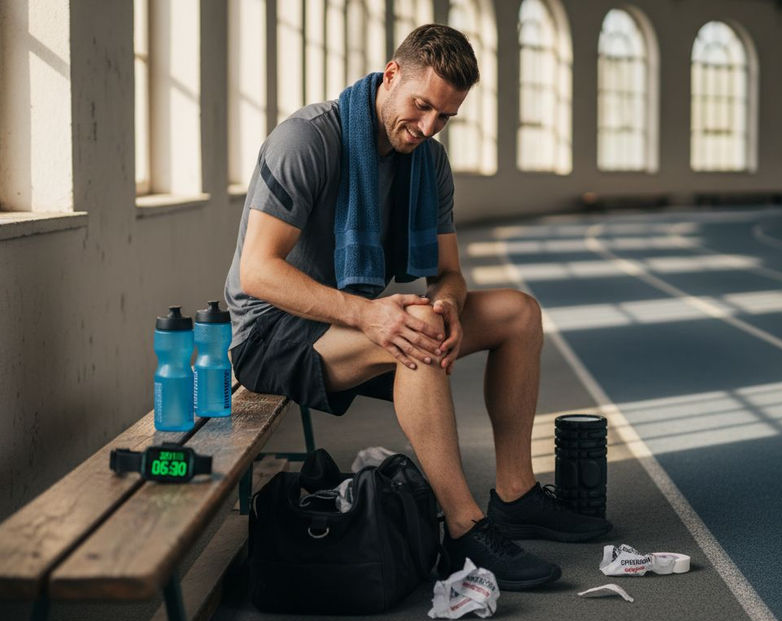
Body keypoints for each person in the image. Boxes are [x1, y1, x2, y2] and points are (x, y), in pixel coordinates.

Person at [224, 24, 611, 591]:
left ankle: (515, 494)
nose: (428, 127)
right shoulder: (307, 139)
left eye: (445, 117)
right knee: (413, 331)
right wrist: (369, 315)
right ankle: (462, 532)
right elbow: (258, 272)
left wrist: (450, 305)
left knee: (518, 313)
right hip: (272, 334)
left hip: (350, 322)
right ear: (390, 76)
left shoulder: (427, 163)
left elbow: (449, 275)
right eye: (421, 106)